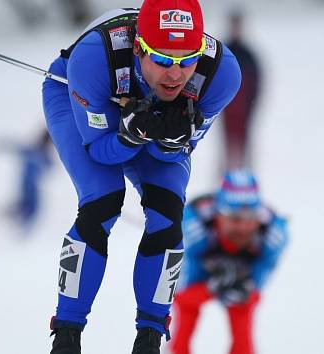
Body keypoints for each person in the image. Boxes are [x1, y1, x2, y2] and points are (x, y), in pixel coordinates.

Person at [41, 1, 241, 353]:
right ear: (138, 48)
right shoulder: (92, 59)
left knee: (167, 215)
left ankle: (149, 337)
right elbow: (99, 151)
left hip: (136, 116)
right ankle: (67, 334)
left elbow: (171, 155)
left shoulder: (220, 73)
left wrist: (170, 139)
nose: (176, 75)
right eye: (163, 59)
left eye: (186, 60)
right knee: (102, 201)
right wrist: (128, 135)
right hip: (84, 96)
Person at [168, 169, 288, 354]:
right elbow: (180, 289)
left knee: (242, 310)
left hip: (244, 278)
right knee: (186, 312)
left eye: (250, 218)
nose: (243, 227)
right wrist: (211, 287)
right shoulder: (194, 228)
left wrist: (244, 288)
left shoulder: (273, 234)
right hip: (199, 276)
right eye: (235, 218)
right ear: (218, 214)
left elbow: (257, 288)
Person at [221, 10, 261, 171]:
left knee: (245, 143)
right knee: (227, 144)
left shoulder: (248, 54)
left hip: (244, 107)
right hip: (228, 108)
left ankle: (245, 176)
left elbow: (256, 81)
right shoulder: (224, 51)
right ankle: (227, 177)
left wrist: (252, 103)